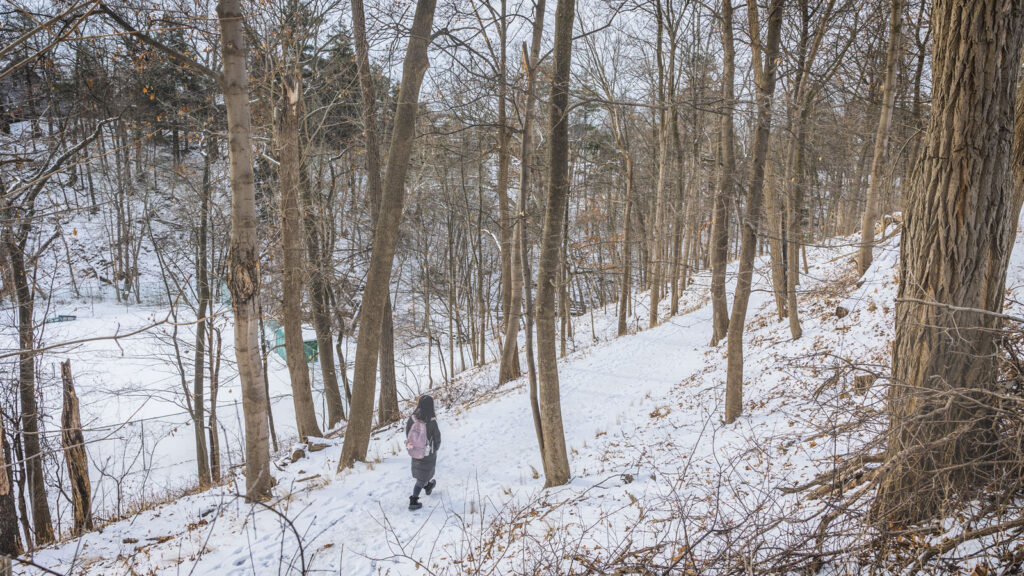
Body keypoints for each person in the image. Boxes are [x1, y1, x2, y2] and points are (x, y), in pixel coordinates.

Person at [405, 394, 441, 510]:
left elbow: (408, 434)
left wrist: (414, 445)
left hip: (414, 450)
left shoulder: (412, 419)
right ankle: (414, 500)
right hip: (427, 452)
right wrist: (435, 449)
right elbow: (437, 438)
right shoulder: (431, 421)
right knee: (422, 476)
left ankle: (428, 486)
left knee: (421, 473)